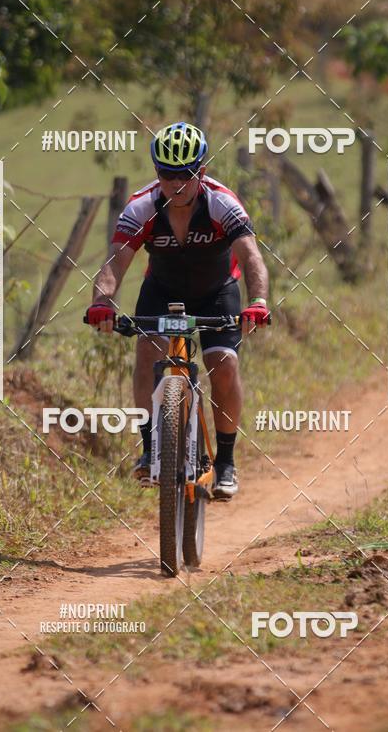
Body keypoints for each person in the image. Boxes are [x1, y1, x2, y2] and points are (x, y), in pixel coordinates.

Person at [86, 122, 270, 499]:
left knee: (224, 363)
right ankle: (151, 449)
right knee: (145, 354)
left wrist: (258, 302)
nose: (177, 184)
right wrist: (101, 303)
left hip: (217, 293)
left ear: (201, 172)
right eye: (168, 175)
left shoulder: (221, 203)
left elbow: (251, 257)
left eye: (186, 175)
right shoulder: (142, 207)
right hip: (162, 291)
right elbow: (115, 264)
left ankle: (226, 461)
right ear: (158, 173)